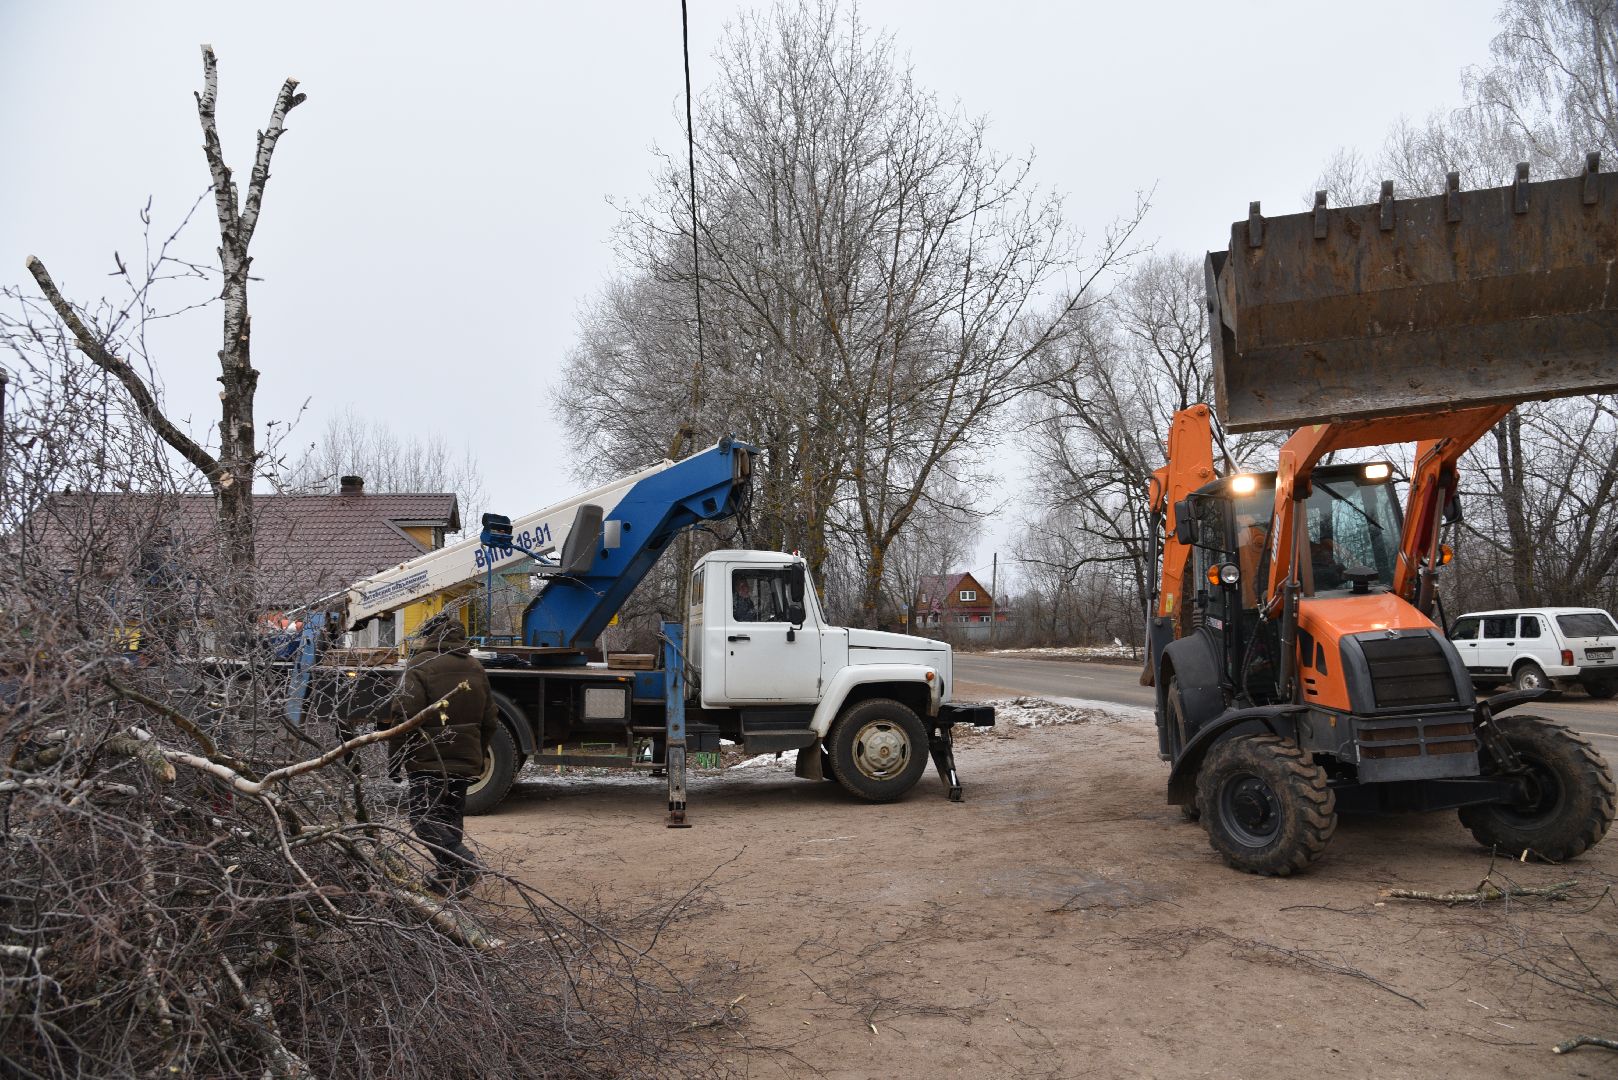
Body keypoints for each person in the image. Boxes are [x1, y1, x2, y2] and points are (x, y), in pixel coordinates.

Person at [389, 611, 497, 896]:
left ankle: (465, 864)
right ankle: (450, 878)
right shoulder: (475, 667)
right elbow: (490, 720)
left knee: (423, 819)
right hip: (462, 760)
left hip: (429, 759)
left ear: (430, 636)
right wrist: (476, 750)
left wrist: (396, 759)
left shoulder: (420, 665)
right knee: (449, 818)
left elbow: (404, 716)